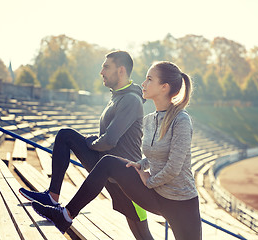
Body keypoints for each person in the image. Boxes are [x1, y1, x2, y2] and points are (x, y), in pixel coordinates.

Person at [32, 61, 202, 240]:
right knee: (109, 163)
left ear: (164, 87)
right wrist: (140, 164)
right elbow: (153, 155)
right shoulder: (150, 119)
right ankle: (65, 216)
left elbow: (174, 167)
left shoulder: (181, 120)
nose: (143, 84)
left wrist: (149, 180)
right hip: (156, 195)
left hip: (181, 203)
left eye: (149, 79)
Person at [19, 50, 154, 239]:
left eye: (106, 67)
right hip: (105, 167)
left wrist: (91, 143)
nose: (101, 72)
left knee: (142, 234)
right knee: (65, 136)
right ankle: (53, 196)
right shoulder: (118, 96)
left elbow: (109, 140)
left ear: (121, 70)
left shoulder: (131, 100)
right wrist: (93, 142)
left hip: (126, 176)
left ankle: (64, 214)